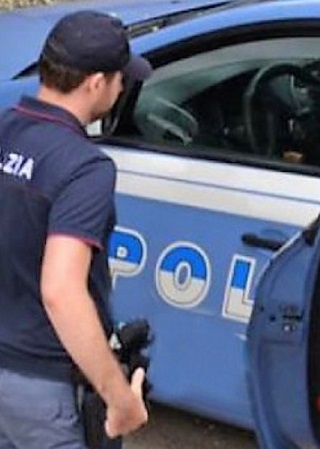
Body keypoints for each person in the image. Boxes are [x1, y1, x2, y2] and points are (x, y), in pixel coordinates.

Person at [0, 10, 152, 449]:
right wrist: (119, 397)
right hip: (41, 387)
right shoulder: (85, 168)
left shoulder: (5, 127)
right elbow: (61, 291)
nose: (122, 89)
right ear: (96, 83)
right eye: (121, 79)